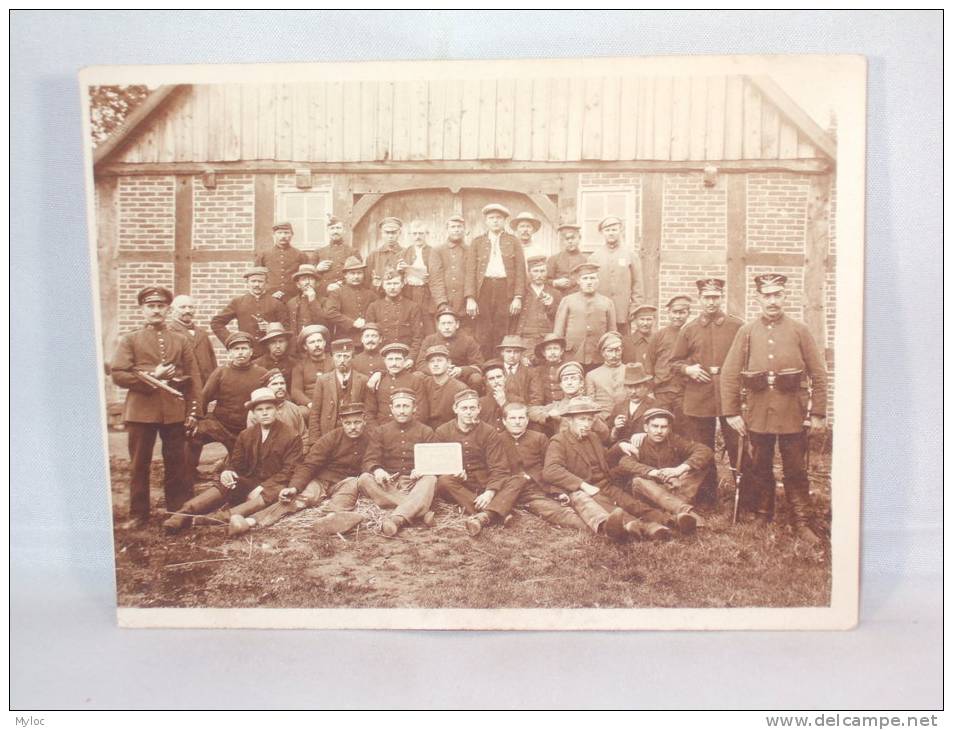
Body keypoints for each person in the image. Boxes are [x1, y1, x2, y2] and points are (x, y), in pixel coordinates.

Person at [721, 273, 828, 544]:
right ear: (758, 298)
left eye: (777, 294)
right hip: (758, 412)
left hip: (792, 411)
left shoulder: (799, 330)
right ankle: (763, 512)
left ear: (785, 296)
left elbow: (819, 373)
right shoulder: (747, 331)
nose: (772, 301)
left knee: (795, 468)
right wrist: (732, 412)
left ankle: (801, 520)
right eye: (767, 295)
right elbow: (729, 373)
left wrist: (817, 413)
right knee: (760, 465)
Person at [110, 286, 202, 529]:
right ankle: (138, 515)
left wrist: (194, 411)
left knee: (176, 464)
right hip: (141, 412)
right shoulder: (130, 339)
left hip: (173, 411)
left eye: (161, 306)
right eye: (151, 306)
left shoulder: (180, 340)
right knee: (140, 464)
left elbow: (194, 377)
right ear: (142, 309)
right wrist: (154, 375)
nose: (156, 310)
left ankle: (178, 512)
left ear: (167, 309)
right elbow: (119, 374)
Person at [162, 387, 302, 534]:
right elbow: (236, 462)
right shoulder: (246, 435)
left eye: (269, 408)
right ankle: (183, 514)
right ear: (253, 413)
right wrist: (228, 471)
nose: (265, 412)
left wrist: (262, 487)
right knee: (228, 481)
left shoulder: (291, 436)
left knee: (271, 494)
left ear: (277, 410)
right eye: (260, 409)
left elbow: (289, 470)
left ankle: (219, 518)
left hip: (273, 485)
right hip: (250, 480)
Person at [542, 396, 673, 542]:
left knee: (632, 503)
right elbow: (550, 470)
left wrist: (620, 446)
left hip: (605, 484)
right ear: (569, 420)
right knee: (613, 509)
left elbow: (606, 458)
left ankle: (670, 521)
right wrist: (583, 485)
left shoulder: (592, 437)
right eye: (582, 419)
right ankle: (648, 529)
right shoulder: (559, 441)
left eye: (590, 419)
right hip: (586, 488)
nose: (587, 424)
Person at [670, 278, 745, 507]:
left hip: (728, 394)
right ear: (700, 299)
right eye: (706, 297)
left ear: (721, 297)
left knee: (737, 446)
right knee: (703, 448)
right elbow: (674, 362)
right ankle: (706, 498)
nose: (711, 302)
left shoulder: (737, 326)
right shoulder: (689, 329)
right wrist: (688, 369)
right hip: (699, 395)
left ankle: (745, 500)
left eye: (715, 297)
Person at [243, 402, 370, 535]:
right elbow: (309, 464)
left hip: (346, 481)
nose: (353, 427)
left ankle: (332, 518)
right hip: (322, 480)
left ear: (364, 420)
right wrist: (294, 487)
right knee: (301, 498)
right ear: (341, 422)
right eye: (348, 423)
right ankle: (252, 521)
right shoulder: (331, 438)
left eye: (357, 422)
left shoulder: (370, 438)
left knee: (349, 490)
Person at [433, 389, 524, 537]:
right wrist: (452, 471)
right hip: (460, 485)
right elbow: (437, 464)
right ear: (455, 409)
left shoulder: (489, 432)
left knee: (518, 480)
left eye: (472, 408)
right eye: (464, 408)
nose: (469, 412)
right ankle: (497, 512)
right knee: (443, 481)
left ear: (479, 409)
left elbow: (499, 467)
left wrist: (490, 492)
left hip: (485, 481)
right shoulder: (442, 431)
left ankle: (484, 516)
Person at [609, 408, 709, 533]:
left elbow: (704, 450)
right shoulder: (638, 442)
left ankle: (675, 515)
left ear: (669, 429)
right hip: (649, 494)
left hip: (672, 489)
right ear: (646, 428)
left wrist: (680, 469)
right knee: (638, 481)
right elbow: (625, 462)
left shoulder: (674, 441)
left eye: (663, 427)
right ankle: (687, 513)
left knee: (699, 466)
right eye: (655, 426)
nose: (659, 431)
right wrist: (654, 473)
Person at [498, 402, 594, 532]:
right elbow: (496, 469)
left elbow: (549, 467)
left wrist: (558, 491)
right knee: (553, 510)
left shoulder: (539, 438)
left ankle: (601, 521)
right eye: (512, 418)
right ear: (504, 421)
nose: (517, 422)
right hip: (515, 490)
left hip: (539, 485)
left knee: (577, 499)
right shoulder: (497, 440)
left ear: (527, 420)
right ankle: (595, 529)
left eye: (521, 418)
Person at [357, 388, 438, 537]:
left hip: (415, 484)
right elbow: (370, 459)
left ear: (414, 408)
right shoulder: (380, 431)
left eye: (406, 406)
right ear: (391, 409)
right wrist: (377, 470)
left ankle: (396, 519)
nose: (402, 411)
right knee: (364, 479)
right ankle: (420, 512)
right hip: (389, 484)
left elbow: (434, 462)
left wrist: (423, 469)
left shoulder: (426, 431)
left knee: (430, 479)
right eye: (398, 406)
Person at [188, 331, 268, 470]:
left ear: (251, 351)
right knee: (194, 435)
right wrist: (195, 418)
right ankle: (189, 473)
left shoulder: (261, 373)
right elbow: (204, 397)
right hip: (220, 425)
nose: (240, 353)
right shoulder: (221, 372)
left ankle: (228, 464)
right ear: (230, 352)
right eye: (236, 349)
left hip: (248, 429)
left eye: (244, 348)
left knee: (243, 467)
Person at [465, 203, 526, 358]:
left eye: (499, 218)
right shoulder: (477, 242)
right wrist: (471, 298)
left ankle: (500, 365)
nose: (495, 221)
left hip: (505, 288)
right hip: (483, 288)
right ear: (486, 221)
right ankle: (484, 365)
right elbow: (470, 271)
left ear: (504, 220)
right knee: (482, 330)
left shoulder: (513, 241)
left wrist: (518, 297)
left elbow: (520, 271)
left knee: (502, 328)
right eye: (491, 218)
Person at [210, 266, 289, 357]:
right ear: (247, 283)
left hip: (269, 354)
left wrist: (271, 327)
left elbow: (286, 328)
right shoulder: (238, 302)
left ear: (266, 283)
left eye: (260, 281)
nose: (256, 285)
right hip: (246, 354)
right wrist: (233, 341)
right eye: (253, 281)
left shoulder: (276, 303)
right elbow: (216, 323)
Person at [307, 338, 373, 444]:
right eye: (338, 356)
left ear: (352, 358)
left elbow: (369, 411)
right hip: (329, 431)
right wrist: (315, 441)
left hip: (355, 431)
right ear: (333, 358)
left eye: (346, 356)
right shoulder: (323, 380)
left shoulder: (363, 380)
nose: (342, 360)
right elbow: (315, 413)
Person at [553, 262, 617, 368]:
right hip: (572, 354)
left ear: (598, 281)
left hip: (598, 355)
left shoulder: (607, 302)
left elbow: (612, 333)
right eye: (585, 278)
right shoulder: (568, 301)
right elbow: (558, 332)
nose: (589, 282)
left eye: (592, 278)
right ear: (578, 281)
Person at [646, 295, 692, 435]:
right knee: (661, 427)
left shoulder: (692, 333)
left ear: (688, 313)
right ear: (669, 313)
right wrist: (650, 390)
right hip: (662, 391)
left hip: (684, 391)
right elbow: (650, 363)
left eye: (682, 312)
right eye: (674, 312)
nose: (678, 316)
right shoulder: (659, 336)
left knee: (684, 428)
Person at [587, 215, 644, 329]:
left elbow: (638, 284)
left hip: (622, 312)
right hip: (599, 310)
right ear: (602, 233)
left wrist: (635, 307)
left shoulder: (630, 255)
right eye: (607, 230)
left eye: (614, 229)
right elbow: (589, 285)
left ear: (620, 231)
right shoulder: (594, 257)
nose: (611, 233)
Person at [416, 305, 485, 390]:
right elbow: (420, 363)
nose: (446, 327)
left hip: (459, 379)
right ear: (438, 326)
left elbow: (478, 365)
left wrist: (461, 370)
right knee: (417, 376)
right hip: (434, 377)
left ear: (457, 324)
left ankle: (471, 401)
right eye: (443, 323)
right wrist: (438, 370)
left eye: (450, 323)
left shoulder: (468, 340)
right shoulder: (430, 340)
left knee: (476, 378)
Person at [365, 268, 424, 365]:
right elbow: (369, 336)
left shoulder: (412, 307)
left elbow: (418, 337)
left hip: (404, 357)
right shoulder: (374, 307)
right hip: (380, 357)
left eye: (395, 283)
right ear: (383, 285)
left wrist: (411, 358)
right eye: (388, 284)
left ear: (402, 284)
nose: (392, 287)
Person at [248, 368, 309, 450]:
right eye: (275, 384)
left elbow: (304, 436)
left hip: (294, 456)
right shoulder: (256, 412)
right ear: (266, 388)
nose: (280, 387)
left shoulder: (294, 408)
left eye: (282, 383)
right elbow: (253, 443)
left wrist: (301, 452)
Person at [428, 215, 470, 326]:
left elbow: (472, 278)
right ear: (447, 229)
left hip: (465, 306)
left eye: (459, 226)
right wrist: (442, 303)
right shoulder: (437, 250)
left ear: (464, 229)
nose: (456, 229)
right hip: (443, 305)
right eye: (453, 227)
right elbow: (435, 279)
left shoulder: (470, 250)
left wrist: (470, 300)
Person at [368, 342, 425, 423]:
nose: (394, 363)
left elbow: (421, 413)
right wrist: (376, 431)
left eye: (398, 359)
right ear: (384, 361)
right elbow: (370, 411)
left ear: (405, 361)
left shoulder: (415, 381)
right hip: (381, 430)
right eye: (390, 359)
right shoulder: (378, 380)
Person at [324, 256, 376, 344]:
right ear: (345, 275)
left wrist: (367, 323)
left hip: (367, 340)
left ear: (363, 274)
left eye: (359, 273)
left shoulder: (370, 294)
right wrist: (352, 323)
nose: (356, 276)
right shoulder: (337, 293)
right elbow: (330, 313)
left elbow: (377, 312)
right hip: (344, 339)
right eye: (352, 273)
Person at [399, 219, 438, 333]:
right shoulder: (404, 253)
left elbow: (438, 275)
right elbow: (398, 277)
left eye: (421, 233)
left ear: (427, 234)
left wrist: (429, 278)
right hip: (408, 292)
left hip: (427, 293)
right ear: (410, 235)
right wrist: (400, 271)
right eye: (414, 233)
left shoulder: (433, 252)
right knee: (409, 322)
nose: (417, 236)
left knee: (428, 324)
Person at [416, 344, 468, 430]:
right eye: (432, 361)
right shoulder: (422, 384)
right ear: (428, 365)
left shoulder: (460, 388)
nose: (435, 364)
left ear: (448, 363)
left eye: (439, 360)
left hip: (449, 432)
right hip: (426, 432)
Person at [254, 222, 310, 301]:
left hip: (293, 297)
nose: (283, 236)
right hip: (270, 296)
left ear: (292, 235)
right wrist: (269, 292)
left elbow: (305, 278)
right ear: (274, 235)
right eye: (279, 233)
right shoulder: (264, 255)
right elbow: (258, 277)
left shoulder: (300, 255)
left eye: (286, 233)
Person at [517, 254, 562, 353]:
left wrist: (551, 304)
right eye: (535, 271)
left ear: (547, 272)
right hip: (525, 339)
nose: (539, 275)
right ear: (529, 273)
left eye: (542, 271)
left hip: (547, 340)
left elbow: (560, 319)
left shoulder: (556, 293)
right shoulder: (521, 293)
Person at [168, 294, 217, 383]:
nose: (187, 310)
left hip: (205, 386)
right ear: (172, 310)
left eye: (191, 307)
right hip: (183, 386)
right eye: (183, 307)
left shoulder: (202, 334)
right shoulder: (169, 333)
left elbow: (212, 360)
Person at [607, 363, 658, 443]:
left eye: (637, 387)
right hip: (622, 449)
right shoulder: (619, 407)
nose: (633, 391)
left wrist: (646, 435)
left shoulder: (656, 406)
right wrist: (615, 429)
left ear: (646, 387)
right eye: (630, 387)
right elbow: (609, 440)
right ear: (625, 388)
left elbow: (665, 433)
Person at [312, 216, 360, 298]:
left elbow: (359, 274)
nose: (335, 231)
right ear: (327, 231)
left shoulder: (353, 252)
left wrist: (340, 284)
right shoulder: (319, 252)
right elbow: (310, 276)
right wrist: (317, 269)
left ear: (343, 230)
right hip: (324, 294)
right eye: (332, 228)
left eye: (338, 228)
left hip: (346, 293)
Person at [584, 331, 627, 419]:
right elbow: (590, 403)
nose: (614, 355)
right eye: (610, 351)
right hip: (603, 421)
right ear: (602, 352)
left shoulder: (630, 370)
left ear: (622, 350)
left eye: (617, 350)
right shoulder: (592, 375)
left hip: (626, 419)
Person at [289, 324, 334, 407]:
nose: (316, 345)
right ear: (305, 346)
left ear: (324, 343)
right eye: (312, 342)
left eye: (319, 341)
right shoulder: (300, 366)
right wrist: (309, 403)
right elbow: (295, 391)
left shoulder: (334, 362)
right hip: (310, 405)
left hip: (333, 403)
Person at [285, 264, 329, 346]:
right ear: (298, 284)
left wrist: (313, 301)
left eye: (311, 279)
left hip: (316, 345)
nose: (307, 282)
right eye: (304, 279)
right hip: (297, 348)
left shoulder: (325, 301)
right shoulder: (291, 303)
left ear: (317, 283)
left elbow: (324, 324)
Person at [497, 335, 544, 407]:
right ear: (502, 353)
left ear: (521, 354)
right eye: (508, 351)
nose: (512, 355)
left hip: (523, 412)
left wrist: (526, 412)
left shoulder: (530, 372)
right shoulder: (496, 371)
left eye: (516, 352)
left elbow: (537, 398)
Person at [252, 322, 297, 388]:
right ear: (267, 345)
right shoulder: (257, 365)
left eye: (281, 341)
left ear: (286, 343)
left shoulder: (294, 364)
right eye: (273, 342)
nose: (278, 346)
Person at [546, 223, 587, 295]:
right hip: (559, 298)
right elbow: (544, 280)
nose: (570, 241)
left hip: (579, 299)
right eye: (567, 239)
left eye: (573, 238)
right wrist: (555, 283)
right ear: (562, 241)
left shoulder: (585, 260)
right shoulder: (554, 259)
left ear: (579, 238)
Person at [365, 217, 405, 290]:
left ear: (399, 233)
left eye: (394, 233)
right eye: (387, 233)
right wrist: (374, 283)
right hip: (378, 296)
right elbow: (366, 281)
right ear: (382, 233)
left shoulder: (407, 253)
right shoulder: (373, 255)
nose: (390, 236)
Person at [529, 333, 568, 404]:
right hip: (546, 408)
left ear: (561, 351)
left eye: (555, 348)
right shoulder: (538, 371)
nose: (552, 352)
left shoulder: (568, 368)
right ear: (544, 353)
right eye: (549, 349)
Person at [477, 359, 508, 433]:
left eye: (499, 377)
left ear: (505, 378)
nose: (496, 381)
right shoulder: (480, 403)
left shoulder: (517, 400)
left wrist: (504, 404)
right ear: (486, 382)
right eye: (492, 379)